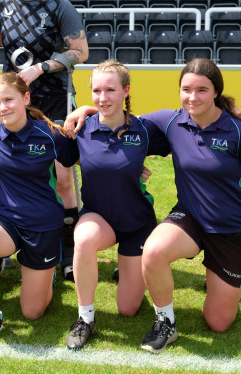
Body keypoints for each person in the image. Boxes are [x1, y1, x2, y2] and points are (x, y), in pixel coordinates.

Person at [138, 58, 241, 352]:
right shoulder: (172, 121)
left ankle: (224, 279)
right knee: (153, 251)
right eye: (186, 89)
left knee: (218, 322)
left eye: (201, 90)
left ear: (215, 92)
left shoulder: (238, 132)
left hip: (233, 228)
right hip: (190, 216)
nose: (192, 97)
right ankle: (165, 323)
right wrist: (86, 110)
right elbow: (122, 123)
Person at [0, 0, 89, 280]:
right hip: (14, 101)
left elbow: (80, 51)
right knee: (9, 169)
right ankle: (6, 242)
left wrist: (41, 67)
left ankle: (68, 250)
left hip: (54, 98)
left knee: (62, 176)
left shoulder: (58, 5)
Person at [60, 61, 169, 350]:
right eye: (96, 91)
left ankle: (135, 274)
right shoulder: (80, 128)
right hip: (99, 219)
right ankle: (85, 318)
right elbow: (36, 134)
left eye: (110, 90)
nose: (103, 97)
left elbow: (189, 122)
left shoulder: (146, 129)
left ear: (126, 91)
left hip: (136, 223)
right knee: (82, 239)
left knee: (127, 309)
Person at [0, 72, 77, 347]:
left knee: (32, 312)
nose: (3, 108)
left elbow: (93, 155)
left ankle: (46, 273)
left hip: (43, 225)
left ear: (25, 98)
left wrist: (135, 172)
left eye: (9, 100)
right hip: (5, 219)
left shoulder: (50, 134)